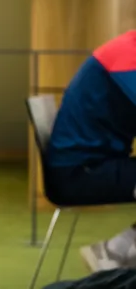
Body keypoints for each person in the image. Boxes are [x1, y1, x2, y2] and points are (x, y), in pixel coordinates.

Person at [44, 30, 136, 272]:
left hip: (94, 164)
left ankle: (120, 250)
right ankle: (115, 251)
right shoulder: (128, 57)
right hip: (79, 174)